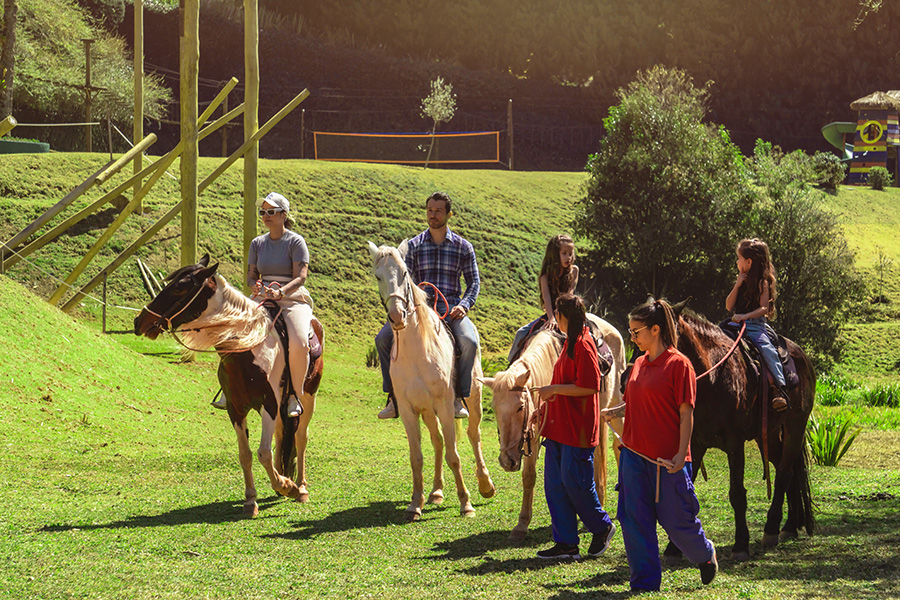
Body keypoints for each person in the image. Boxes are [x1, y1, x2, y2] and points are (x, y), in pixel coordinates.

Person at [600, 299, 717, 592]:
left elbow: (686, 412)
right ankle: (645, 583)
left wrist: (680, 455)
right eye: (630, 332)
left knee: (677, 522)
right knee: (633, 520)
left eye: (636, 332)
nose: (632, 338)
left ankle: (705, 554)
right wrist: (616, 411)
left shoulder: (680, 365)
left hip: (668, 461)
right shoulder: (639, 364)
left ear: (655, 330)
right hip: (633, 457)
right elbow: (638, 402)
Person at [375, 191, 480, 420]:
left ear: (449, 214)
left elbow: (474, 283)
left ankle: (458, 397)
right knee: (382, 339)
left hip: (451, 309)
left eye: (438, 211)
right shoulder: (413, 246)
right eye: (430, 210)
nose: (433, 215)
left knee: (469, 341)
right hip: (419, 310)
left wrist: (464, 306)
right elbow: (405, 281)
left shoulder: (464, 247)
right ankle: (393, 398)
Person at [213, 192, 313, 418]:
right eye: (263, 212)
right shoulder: (257, 243)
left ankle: (294, 395)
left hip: (292, 298)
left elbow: (301, 277)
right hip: (263, 297)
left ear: (283, 214)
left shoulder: (296, 242)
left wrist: (282, 292)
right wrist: (254, 286)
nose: (266, 215)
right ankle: (227, 387)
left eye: (271, 211)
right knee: (233, 333)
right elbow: (251, 276)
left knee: (299, 342)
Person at [533, 293, 616, 560]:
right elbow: (563, 383)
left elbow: (590, 386)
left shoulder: (583, 344)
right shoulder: (569, 342)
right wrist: (542, 410)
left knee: (576, 483)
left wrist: (554, 389)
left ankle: (602, 526)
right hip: (558, 428)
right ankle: (566, 543)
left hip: (577, 430)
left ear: (562, 316)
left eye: (556, 314)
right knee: (555, 486)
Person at [725, 237, 788, 411]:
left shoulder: (762, 282)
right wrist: (737, 285)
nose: (737, 262)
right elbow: (729, 306)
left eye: (739, 258)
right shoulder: (741, 281)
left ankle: (779, 388)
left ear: (749, 262)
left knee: (768, 350)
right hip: (736, 324)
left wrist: (744, 316)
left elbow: (763, 308)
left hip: (755, 326)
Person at [507, 234, 579, 363]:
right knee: (521, 333)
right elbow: (547, 299)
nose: (568, 257)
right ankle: (511, 364)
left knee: (587, 335)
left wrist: (563, 316)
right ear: (555, 254)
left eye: (570, 253)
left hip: (568, 313)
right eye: (564, 253)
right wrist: (552, 318)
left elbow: (569, 295)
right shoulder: (545, 277)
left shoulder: (574, 271)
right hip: (551, 313)